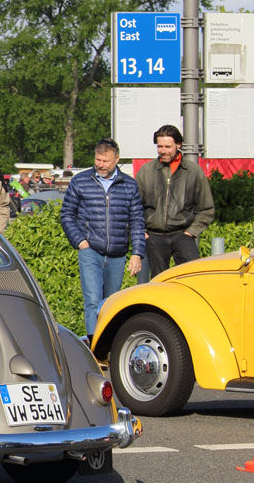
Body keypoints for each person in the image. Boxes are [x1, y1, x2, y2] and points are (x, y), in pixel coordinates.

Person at [60, 138, 144, 342]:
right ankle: (95, 347)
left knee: (111, 303)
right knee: (92, 301)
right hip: (91, 250)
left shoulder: (129, 185)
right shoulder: (81, 181)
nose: (101, 165)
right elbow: (67, 214)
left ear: (116, 159)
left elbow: (137, 220)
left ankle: (108, 345)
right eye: (98, 160)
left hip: (117, 253)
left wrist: (137, 253)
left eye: (106, 161)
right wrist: (80, 241)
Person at [136, 124, 215, 278]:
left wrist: (191, 232)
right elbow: (133, 206)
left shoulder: (193, 171)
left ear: (178, 145)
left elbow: (206, 208)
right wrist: (143, 232)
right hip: (154, 236)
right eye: (159, 146)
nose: (163, 150)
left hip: (182, 234)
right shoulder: (146, 171)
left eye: (167, 146)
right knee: (159, 282)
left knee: (192, 278)